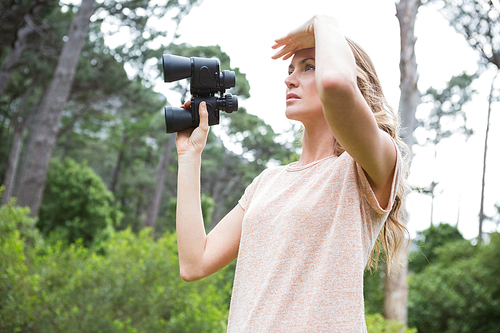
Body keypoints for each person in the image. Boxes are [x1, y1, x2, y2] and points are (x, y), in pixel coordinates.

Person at [174, 15, 409, 332]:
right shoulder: (268, 182)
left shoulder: (366, 165)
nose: (290, 79)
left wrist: (324, 22)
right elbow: (194, 262)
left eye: (308, 66)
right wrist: (189, 156)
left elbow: (336, 85)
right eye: (290, 69)